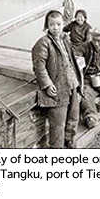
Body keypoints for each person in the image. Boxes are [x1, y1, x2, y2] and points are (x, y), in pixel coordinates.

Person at [31, 10, 82, 148]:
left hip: (72, 84)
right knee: (57, 122)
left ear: (63, 24)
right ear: (47, 26)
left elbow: (71, 60)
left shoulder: (65, 39)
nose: (56, 27)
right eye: (52, 24)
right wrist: (47, 84)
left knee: (73, 116)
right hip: (58, 88)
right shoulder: (43, 43)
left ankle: (69, 140)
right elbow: (38, 67)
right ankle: (56, 148)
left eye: (58, 24)